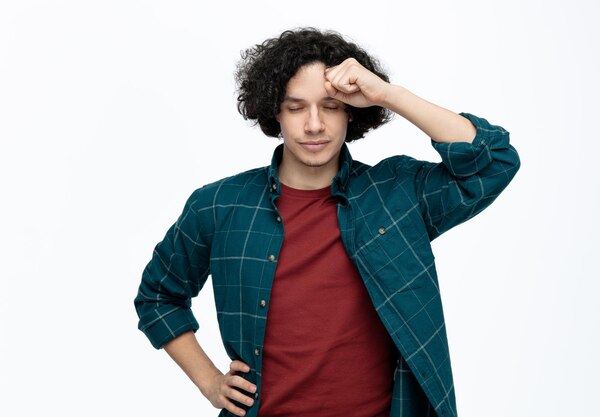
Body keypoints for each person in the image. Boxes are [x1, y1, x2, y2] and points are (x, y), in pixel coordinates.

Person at [134, 27, 521, 417]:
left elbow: (493, 163)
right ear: (275, 113)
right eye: (296, 107)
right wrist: (211, 383)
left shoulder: (395, 195)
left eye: (331, 106)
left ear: (351, 111)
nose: (314, 125)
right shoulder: (218, 205)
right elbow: (158, 296)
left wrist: (388, 94)